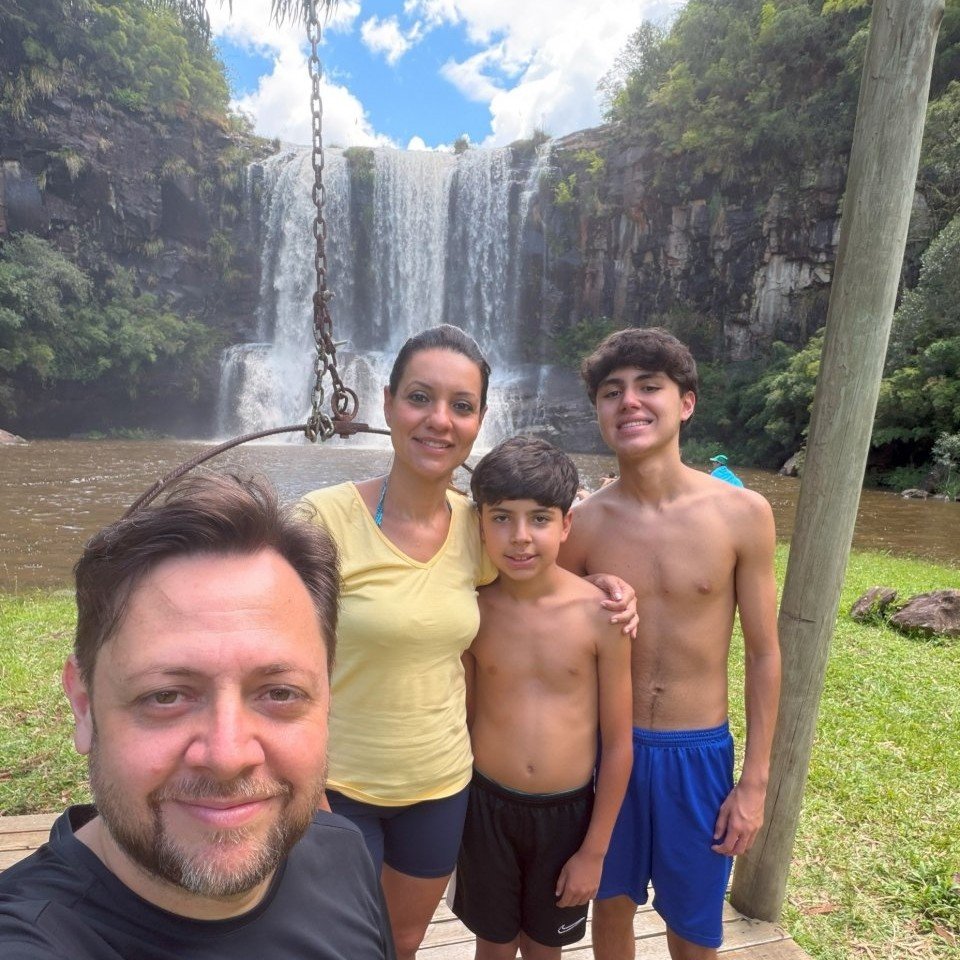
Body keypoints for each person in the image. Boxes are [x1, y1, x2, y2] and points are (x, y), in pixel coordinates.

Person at [299, 324, 638, 960]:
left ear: (480, 419)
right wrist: (306, 788)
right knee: (338, 942)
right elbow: (276, 658)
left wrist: (604, 585)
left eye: (461, 405)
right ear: (387, 402)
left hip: (442, 787)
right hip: (339, 785)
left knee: (403, 941)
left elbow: (536, 574)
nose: (439, 420)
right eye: (419, 397)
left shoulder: (476, 530)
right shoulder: (322, 521)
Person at [0, 474, 395, 960]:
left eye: (280, 692)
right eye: (166, 696)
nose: (227, 757)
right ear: (84, 704)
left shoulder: (344, 851)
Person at [560, 328, 781, 960]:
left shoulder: (743, 514)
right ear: (599, 411)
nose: (629, 401)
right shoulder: (582, 525)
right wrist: (586, 587)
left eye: (648, 387)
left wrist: (755, 782)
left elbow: (763, 653)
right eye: (612, 392)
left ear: (685, 403)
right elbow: (540, 622)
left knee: (694, 925)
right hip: (607, 753)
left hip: (698, 754)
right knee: (610, 907)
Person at [453, 437, 633, 960]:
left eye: (539, 519)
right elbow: (465, 717)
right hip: (486, 805)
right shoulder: (472, 612)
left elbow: (618, 743)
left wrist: (594, 851)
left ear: (566, 524)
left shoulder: (602, 616)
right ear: (480, 523)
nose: (520, 537)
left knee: (544, 949)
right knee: (493, 945)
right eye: (501, 518)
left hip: (566, 814)